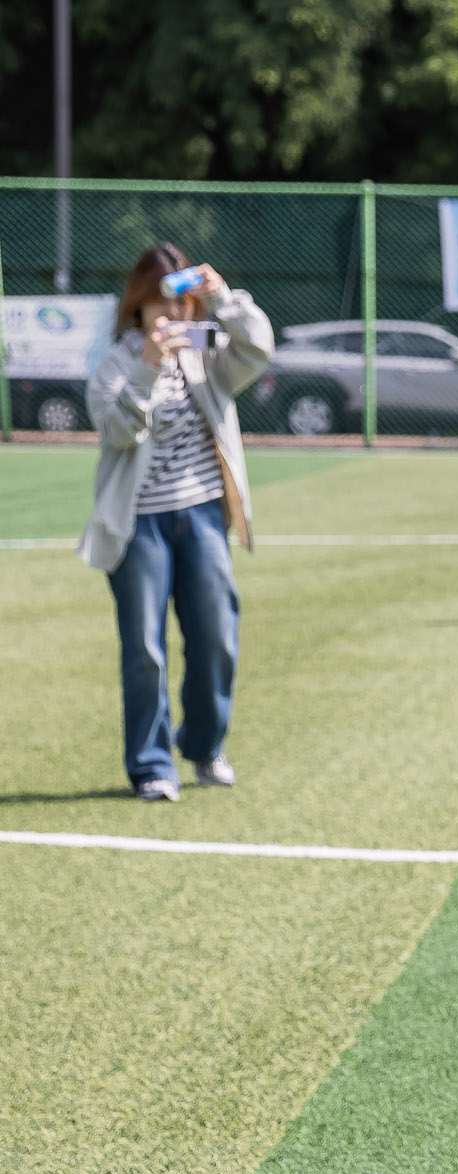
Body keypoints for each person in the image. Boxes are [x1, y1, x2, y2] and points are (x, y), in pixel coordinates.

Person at [78, 243, 273, 802]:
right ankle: (151, 766)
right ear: (137, 306)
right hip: (138, 523)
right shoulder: (115, 364)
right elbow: (117, 430)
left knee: (216, 634)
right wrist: (147, 369)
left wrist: (223, 298)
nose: (174, 318)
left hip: (203, 513)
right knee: (144, 646)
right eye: (162, 306)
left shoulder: (208, 354)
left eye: (185, 305)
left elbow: (259, 347)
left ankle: (206, 745)